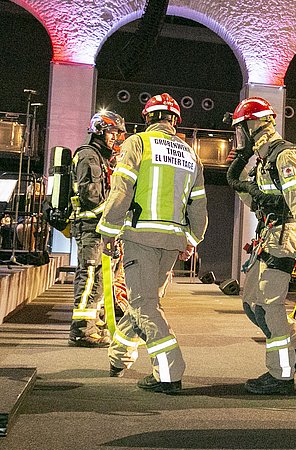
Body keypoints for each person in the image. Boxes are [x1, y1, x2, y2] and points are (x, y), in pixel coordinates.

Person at [98, 93, 208, 393]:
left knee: (143, 304)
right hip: (172, 243)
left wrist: (108, 231)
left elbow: (121, 190)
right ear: (175, 121)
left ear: (147, 118)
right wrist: (191, 239)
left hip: (141, 238)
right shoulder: (190, 153)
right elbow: (198, 206)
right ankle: (119, 356)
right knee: (145, 301)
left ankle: (169, 373)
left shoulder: (138, 143)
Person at [225, 96, 296, 395]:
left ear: (255, 124)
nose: (239, 136)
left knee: (270, 307)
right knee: (252, 304)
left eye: (241, 129)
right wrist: (240, 176)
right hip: (269, 233)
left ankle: (280, 374)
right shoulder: (264, 162)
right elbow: (256, 200)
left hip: (286, 234)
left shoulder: (284, 155)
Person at [68, 110, 126, 348]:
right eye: (113, 133)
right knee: (90, 276)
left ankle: (95, 321)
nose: (116, 138)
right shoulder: (88, 156)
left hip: (100, 227)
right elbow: (91, 196)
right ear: (100, 130)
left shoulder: (101, 158)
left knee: (102, 278)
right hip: (90, 226)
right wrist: (118, 208)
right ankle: (81, 330)